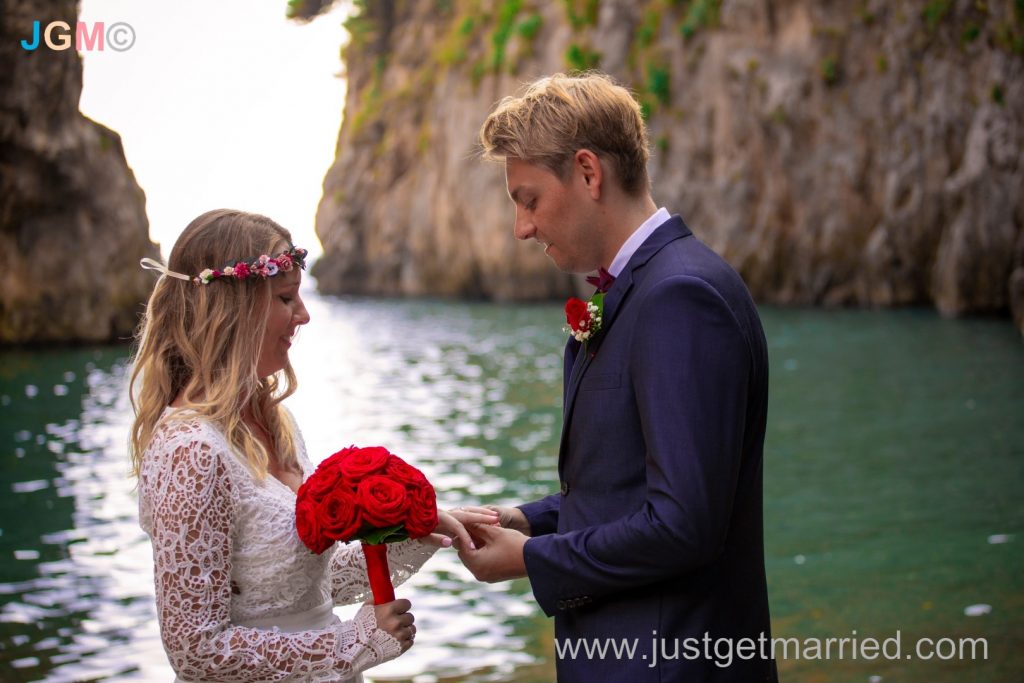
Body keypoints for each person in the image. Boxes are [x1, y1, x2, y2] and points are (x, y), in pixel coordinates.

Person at [458, 73, 777, 681]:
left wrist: (532, 559)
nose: (521, 228)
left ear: (587, 172)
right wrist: (525, 520)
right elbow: (630, 486)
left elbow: (684, 525)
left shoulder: (679, 297)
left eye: (528, 199)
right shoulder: (652, 286)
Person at [130, 209, 495, 682]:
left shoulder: (274, 420)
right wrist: (351, 644)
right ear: (231, 310)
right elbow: (197, 649)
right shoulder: (189, 450)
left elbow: (305, 588)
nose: (303, 315)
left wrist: (422, 532)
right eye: (285, 298)